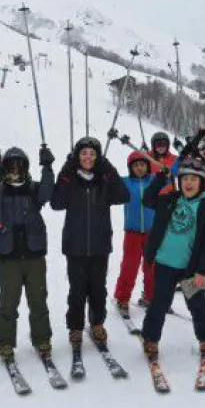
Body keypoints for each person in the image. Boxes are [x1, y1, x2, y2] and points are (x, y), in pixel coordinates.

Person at [0, 145, 56, 362]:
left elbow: (48, 190)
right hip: (9, 258)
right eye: (11, 166)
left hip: (34, 255)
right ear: (4, 168)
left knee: (38, 299)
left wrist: (47, 166)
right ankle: (4, 341)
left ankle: (41, 338)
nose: (15, 170)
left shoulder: (34, 189)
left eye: (20, 166)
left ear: (26, 168)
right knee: (9, 301)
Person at [50, 136, 130, 350]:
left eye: (93, 154)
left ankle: (97, 324)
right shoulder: (71, 179)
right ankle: (75, 327)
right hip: (75, 246)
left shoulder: (104, 180)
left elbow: (124, 195)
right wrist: (66, 170)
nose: (88, 157)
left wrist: (109, 169)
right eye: (83, 153)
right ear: (77, 156)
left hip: (100, 245)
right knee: (77, 290)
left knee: (97, 289)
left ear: (98, 158)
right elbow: (56, 203)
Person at [140, 156, 205, 364]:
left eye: (194, 179)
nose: (189, 183)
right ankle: (150, 339)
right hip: (165, 264)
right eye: (185, 178)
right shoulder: (170, 200)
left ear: (201, 183)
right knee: (158, 304)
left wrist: (202, 270)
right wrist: (159, 179)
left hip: (190, 269)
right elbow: (147, 200)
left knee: (197, 305)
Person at [114, 151, 157, 311]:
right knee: (129, 266)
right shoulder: (125, 182)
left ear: (148, 166)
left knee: (151, 266)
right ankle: (123, 297)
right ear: (131, 167)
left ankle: (151, 296)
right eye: (136, 165)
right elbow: (108, 179)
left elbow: (170, 173)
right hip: (132, 232)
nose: (140, 168)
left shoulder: (153, 181)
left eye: (143, 164)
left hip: (151, 231)